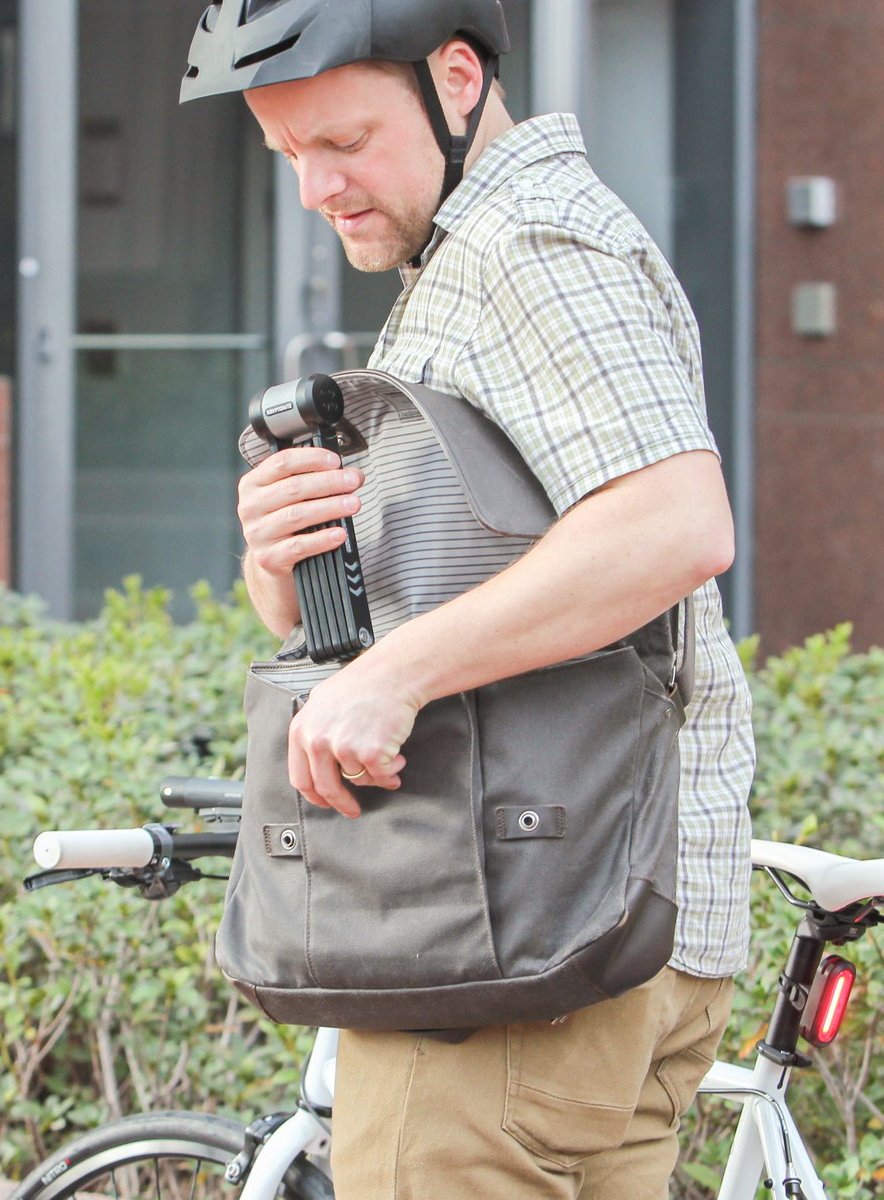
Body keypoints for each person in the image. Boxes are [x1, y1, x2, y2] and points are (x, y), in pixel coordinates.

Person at [180, 2, 755, 1196]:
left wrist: (392, 674)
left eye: (341, 141)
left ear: (455, 79)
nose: (315, 189)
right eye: (288, 155)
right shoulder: (477, 251)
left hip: (506, 955)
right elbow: (519, 570)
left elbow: (676, 524)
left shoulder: (527, 245)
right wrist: (289, 570)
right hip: (572, 932)